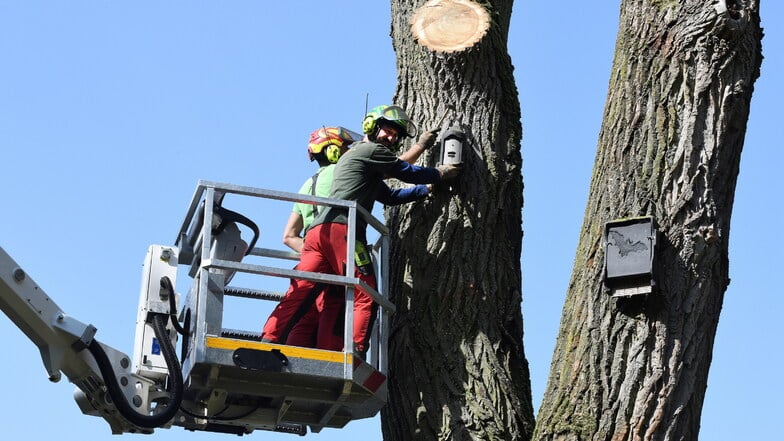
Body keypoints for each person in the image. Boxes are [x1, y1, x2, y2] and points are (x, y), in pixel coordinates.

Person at [261, 105, 461, 357]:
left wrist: (427, 189)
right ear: (371, 127)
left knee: (302, 290)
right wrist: (440, 173)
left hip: (317, 234)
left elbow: (389, 196)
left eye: (395, 136)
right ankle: (352, 354)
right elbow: (406, 172)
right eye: (387, 130)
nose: (390, 138)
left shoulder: (356, 160)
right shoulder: (371, 150)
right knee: (365, 293)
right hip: (344, 230)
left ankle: (268, 340)